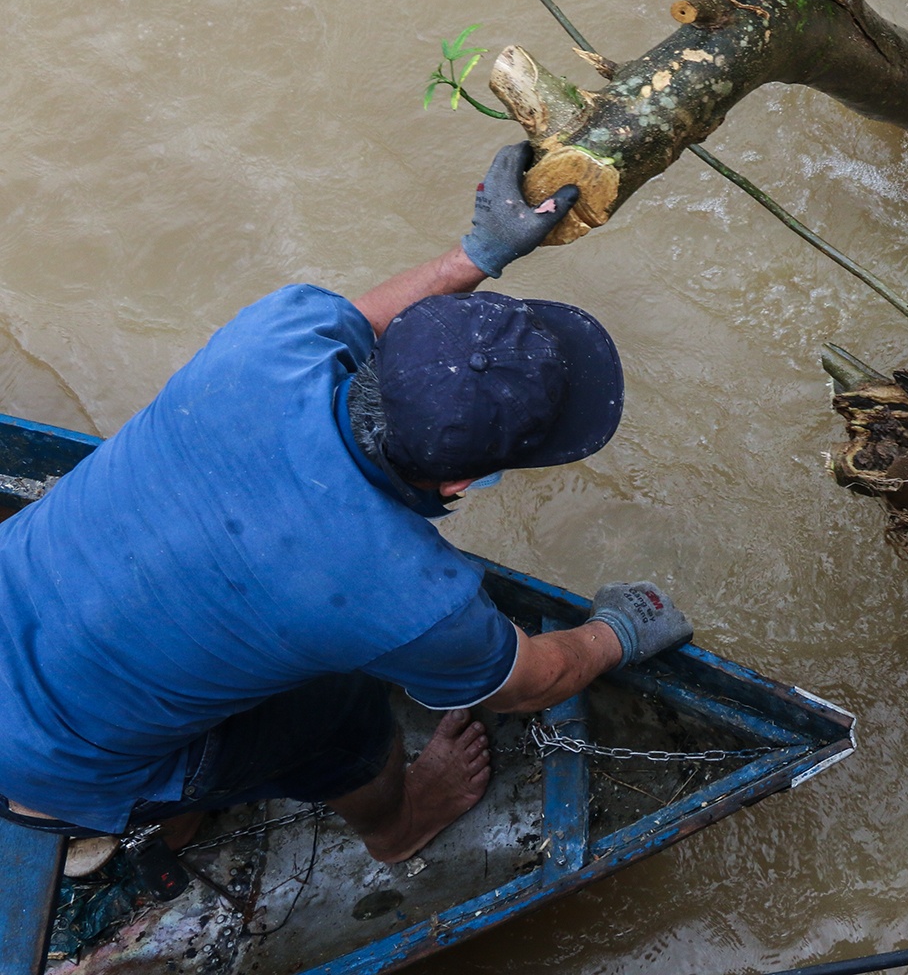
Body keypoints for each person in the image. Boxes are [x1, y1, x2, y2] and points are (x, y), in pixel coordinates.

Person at [0, 142, 691, 865]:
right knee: (341, 708)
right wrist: (616, 629)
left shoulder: (272, 340)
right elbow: (528, 684)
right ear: (459, 486)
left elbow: (363, 316)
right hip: (49, 769)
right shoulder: (411, 595)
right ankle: (398, 824)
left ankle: (174, 809)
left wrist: (475, 255)